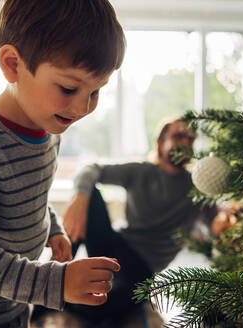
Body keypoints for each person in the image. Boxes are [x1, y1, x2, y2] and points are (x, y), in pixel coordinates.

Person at [0, 1, 126, 327]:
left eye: (96, 91)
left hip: (14, 299)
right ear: (13, 64)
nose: (84, 107)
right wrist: (55, 283)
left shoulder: (49, 131)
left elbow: (32, 197)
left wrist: (51, 228)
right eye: (69, 88)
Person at [60, 118, 217, 324]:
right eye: (178, 136)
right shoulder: (142, 171)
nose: (185, 142)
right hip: (116, 245)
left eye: (190, 138)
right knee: (91, 196)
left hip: (143, 266)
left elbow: (215, 227)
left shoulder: (197, 186)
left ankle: (55, 300)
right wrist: (80, 200)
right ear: (160, 144)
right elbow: (90, 169)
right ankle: (58, 272)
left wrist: (224, 224)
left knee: (104, 307)